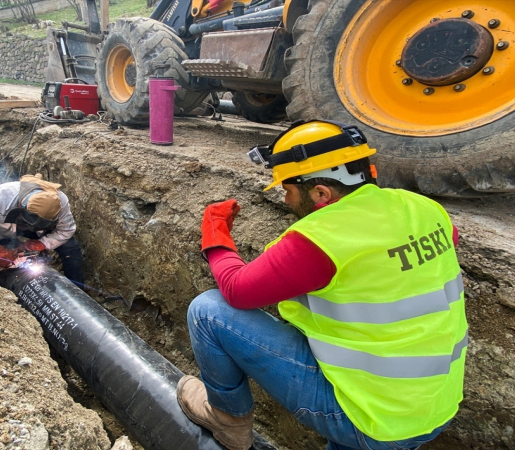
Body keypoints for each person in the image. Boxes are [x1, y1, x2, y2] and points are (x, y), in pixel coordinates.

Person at [177, 120, 468, 450]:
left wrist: (216, 236)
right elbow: (439, 244)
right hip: (431, 407)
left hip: (368, 417)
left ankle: (227, 420)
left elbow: (236, 290)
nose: (286, 200)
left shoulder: (323, 239)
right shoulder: (425, 209)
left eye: (288, 190)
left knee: (207, 312)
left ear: (320, 193)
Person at [0, 174, 84, 285]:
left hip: (37, 233)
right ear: (20, 207)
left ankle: (79, 290)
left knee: (70, 246)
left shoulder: (59, 201)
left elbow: (66, 230)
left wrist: (40, 244)